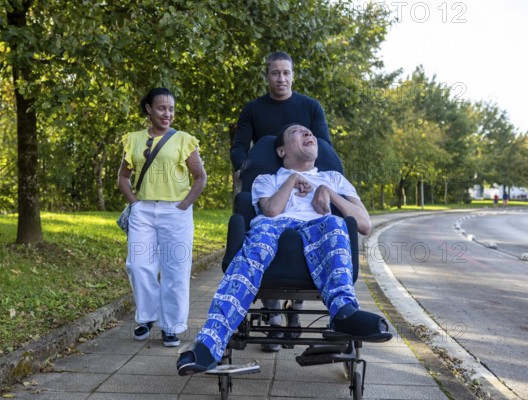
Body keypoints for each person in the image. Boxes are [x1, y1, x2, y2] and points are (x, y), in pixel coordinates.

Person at [176, 125, 391, 375]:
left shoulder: (334, 178)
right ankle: (209, 342)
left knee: (336, 223)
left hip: (320, 231)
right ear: (281, 150)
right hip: (274, 229)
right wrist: (291, 179)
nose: (309, 135)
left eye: (311, 133)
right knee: (258, 241)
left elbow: (364, 224)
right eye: (298, 133)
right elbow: (272, 211)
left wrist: (328, 192)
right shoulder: (267, 179)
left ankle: (344, 312)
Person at [230, 51, 333, 350]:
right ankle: (274, 317)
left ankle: (295, 311)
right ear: (266, 76)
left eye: (286, 73)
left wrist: (322, 186)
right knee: (265, 236)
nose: (281, 78)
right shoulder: (252, 110)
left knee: (305, 235)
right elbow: (239, 146)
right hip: (267, 179)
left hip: (305, 180)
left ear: (293, 75)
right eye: (275, 73)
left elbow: (323, 146)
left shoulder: (310, 107)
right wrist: (243, 170)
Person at [117, 88, 207, 347]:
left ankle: (172, 327)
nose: (167, 113)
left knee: (175, 269)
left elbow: (200, 178)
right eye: (161, 108)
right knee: (138, 264)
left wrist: (184, 205)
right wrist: (134, 203)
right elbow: (123, 177)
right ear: (148, 109)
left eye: (171, 109)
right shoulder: (132, 139)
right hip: (142, 210)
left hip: (175, 211)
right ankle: (147, 316)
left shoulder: (184, 139)